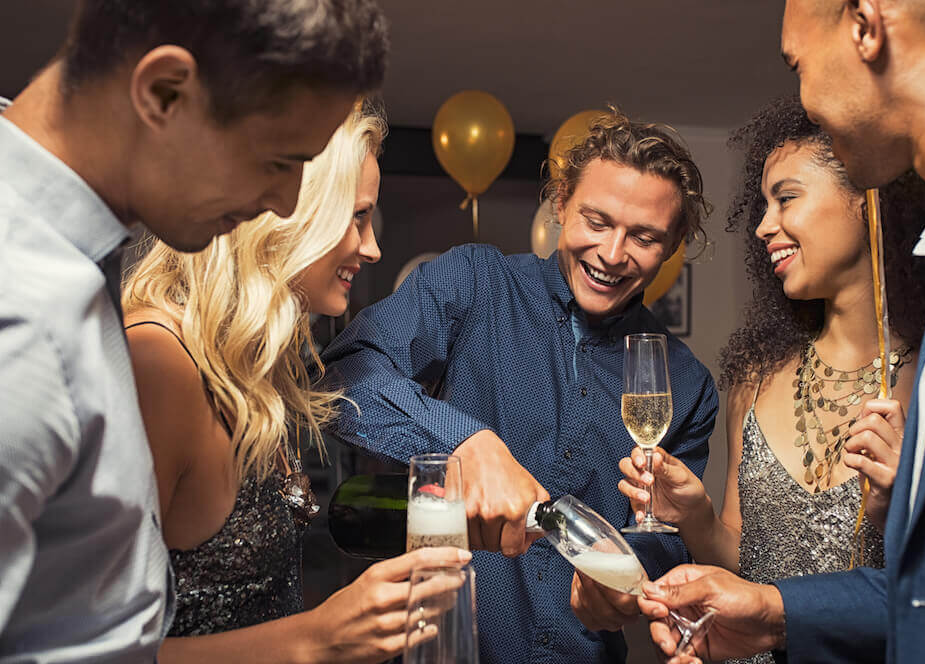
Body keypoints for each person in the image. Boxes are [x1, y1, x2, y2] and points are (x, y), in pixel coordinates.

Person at [0, 1, 387, 660]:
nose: (287, 204)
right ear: (164, 93)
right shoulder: (23, 322)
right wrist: (311, 643)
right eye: (277, 160)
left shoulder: (85, 266)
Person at [638, 1, 925, 662]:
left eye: (796, 60)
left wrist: (901, 508)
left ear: (866, 24)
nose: (763, 226)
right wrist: (756, 595)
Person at [321, 109, 720, 663]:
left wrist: (628, 580)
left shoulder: (687, 384)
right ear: (560, 204)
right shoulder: (474, 282)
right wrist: (467, 441)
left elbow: (664, 535)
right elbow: (346, 375)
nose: (611, 254)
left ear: (672, 244)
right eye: (597, 222)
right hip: (443, 649)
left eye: (644, 237)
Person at [122, 103, 466, 663]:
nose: (373, 245)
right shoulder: (159, 366)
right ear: (288, 214)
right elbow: (84, 650)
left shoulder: (250, 366)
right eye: (358, 217)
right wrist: (316, 638)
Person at [618, 96, 925, 664]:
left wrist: (905, 508)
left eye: (786, 198)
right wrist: (696, 518)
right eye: (763, 204)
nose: (765, 226)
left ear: (866, 197)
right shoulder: (755, 379)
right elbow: (745, 563)